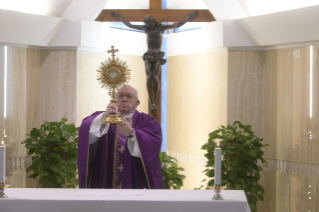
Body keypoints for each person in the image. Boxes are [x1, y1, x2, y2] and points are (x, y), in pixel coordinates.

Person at [78, 85, 164, 189]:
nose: (124, 99)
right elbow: (86, 133)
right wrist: (104, 117)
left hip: (134, 178)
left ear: (137, 103)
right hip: (105, 177)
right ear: (116, 100)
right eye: (121, 96)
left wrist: (132, 133)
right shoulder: (103, 117)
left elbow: (153, 143)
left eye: (129, 96)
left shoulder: (147, 121)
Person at [111, 11, 199, 112]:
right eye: (147, 23)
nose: (148, 25)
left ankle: (155, 101)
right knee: (149, 77)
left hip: (157, 55)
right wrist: (119, 17)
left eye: (149, 22)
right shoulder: (146, 29)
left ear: (153, 21)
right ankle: (151, 101)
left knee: (155, 77)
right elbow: (130, 25)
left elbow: (177, 24)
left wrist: (189, 17)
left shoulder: (161, 28)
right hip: (148, 55)